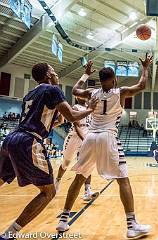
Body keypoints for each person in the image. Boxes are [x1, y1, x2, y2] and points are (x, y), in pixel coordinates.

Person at [56, 54, 153, 239]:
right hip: (108, 136)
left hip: (90, 137)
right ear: (114, 79)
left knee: (79, 178)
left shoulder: (92, 92)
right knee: (123, 179)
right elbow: (142, 85)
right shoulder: (121, 91)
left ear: (100, 80)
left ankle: (63, 220)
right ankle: (132, 225)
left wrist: (85, 75)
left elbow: (76, 90)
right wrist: (145, 67)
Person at [0, 63, 97, 240]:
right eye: (53, 70)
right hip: (28, 141)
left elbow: (55, 120)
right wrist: (92, 109)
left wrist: (58, 117)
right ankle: (9, 234)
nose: (56, 73)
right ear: (47, 74)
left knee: (1, 179)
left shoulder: (31, 93)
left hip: (11, 139)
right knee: (48, 192)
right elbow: (72, 117)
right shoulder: (53, 89)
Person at [54, 97, 99, 201]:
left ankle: (88, 191)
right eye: (80, 95)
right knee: (65, 163)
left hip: (86, 136)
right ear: (76, 97)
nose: (82, 96)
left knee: (86, 164)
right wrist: (84, 139)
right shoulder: (75, 107)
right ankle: (58, 180)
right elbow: (77, 126)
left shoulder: (90, 108)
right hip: (74, 137)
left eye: (84, 95)